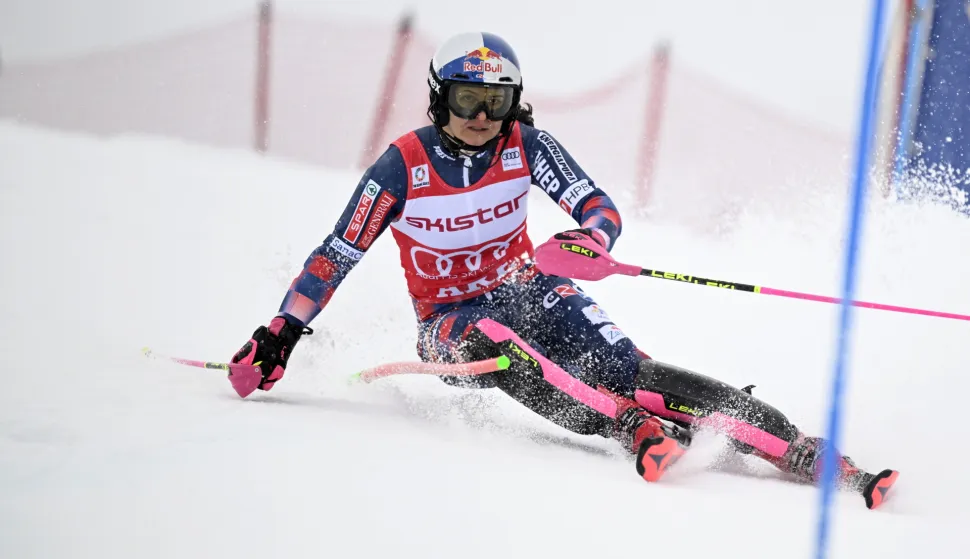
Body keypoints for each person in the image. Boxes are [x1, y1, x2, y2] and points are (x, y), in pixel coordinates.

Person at [230, 32, 897, 508]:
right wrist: (281, 331)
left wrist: (588, 239)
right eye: (466, 101)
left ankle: (805, 451)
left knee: (635, 373)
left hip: (529, 285)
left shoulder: (528, 146)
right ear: (439, 100)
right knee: (498, 346)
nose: (482, 119)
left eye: (497, 102)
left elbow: (599, 208)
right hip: (450, 322)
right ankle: (627, 426)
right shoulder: (403, 165)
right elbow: (336, 253)